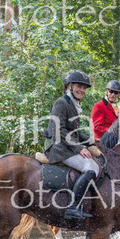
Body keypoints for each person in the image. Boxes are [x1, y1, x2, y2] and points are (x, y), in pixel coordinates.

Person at [44, 71, 99, 219]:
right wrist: (79, 148)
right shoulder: (61, 102)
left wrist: (92, 141)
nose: (82, 90)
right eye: (79, 86)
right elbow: (58, 130)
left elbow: (74, 133)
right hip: (59, 149)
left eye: (84, 88)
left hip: (66, 147)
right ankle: (72, 207)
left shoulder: (73, 105)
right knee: (91, 168)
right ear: (70, 86)